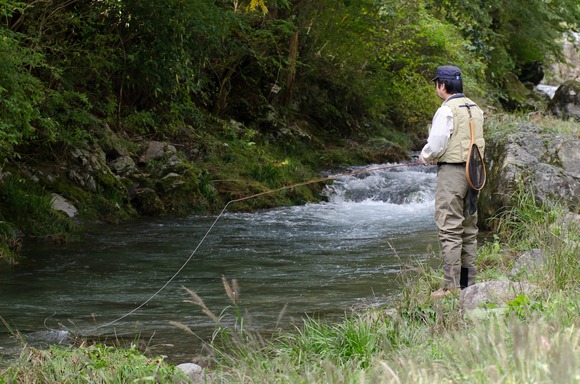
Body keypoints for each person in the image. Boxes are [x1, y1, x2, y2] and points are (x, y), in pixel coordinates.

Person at [418, 65, 484, 299]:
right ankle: (469, 284)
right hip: (475, 174)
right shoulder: (476, 108)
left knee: (449, 228)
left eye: (437, 83)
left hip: (453, 174)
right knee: (468, 228)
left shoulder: (446, 110)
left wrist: (424, 156)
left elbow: (437, 144)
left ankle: (450, 287)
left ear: (442, 85)